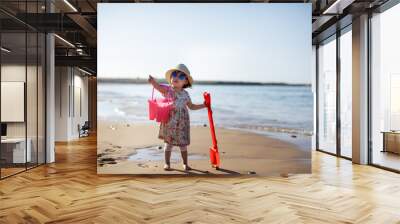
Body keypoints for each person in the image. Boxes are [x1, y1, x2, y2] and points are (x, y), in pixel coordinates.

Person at [148, 64, 207, 171]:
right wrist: (153, 82)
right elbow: (159, 88)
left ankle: (185, 164)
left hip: (182, 123)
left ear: (185, 82)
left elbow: (191, 106)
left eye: (180, 76)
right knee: (168, 143)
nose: (176, 77)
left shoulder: (186, 94)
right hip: (170, 121)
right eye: (174, 74)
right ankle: (167, 163)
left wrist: (204, 105)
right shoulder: (168, 90)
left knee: (183, 144)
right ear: (170, 79)